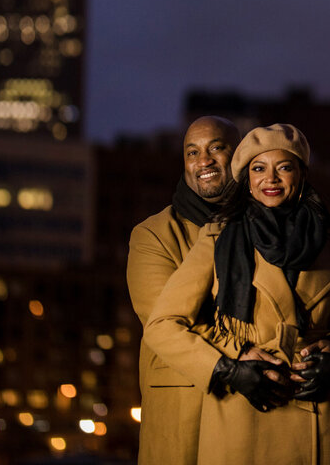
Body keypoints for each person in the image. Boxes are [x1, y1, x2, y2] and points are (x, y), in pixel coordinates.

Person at [144, 123, 330, 465]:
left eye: (283, 168)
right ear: (246, 179)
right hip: (243, 414)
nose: (270, 179)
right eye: (258, 169)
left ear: (301, 175)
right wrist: (226, 370)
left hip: (319, 414)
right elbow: (163, 324)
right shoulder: (219, 239)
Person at [126, 115, 240, 465]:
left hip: (253, 413)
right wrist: (241, 360)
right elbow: (165, 324)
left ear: (240, 157)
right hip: (184, 408)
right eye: (192, 153)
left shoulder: (267, 227)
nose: (203, 161)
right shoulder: (153, 235)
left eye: (215, 148)